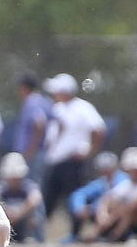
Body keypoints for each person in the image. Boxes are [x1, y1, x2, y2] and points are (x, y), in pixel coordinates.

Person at [40, 73, 106, 220]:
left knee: (73, 198)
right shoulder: (57, 108)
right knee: (48, 198)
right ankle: (42, 229)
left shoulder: (83, 107)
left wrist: (89, 152)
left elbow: (99, 130)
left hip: (73, 162)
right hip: (55, 162)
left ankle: (75, 229)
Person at [64, 150, 123, 243]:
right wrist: (80, 208)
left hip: (118, 215)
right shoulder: (102, 182)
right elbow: (79, 194)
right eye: (103, 169)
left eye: (108, 169)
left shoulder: (123, 180)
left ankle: (112, 236)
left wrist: (93, 208)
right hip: (101, 214)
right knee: (76, 203)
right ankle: (75, 235)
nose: (106, 172)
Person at [0, 152, 44, 242]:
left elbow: (35, 198)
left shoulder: (28, 186)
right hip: (8, 223)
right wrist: (8, 211)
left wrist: (19, 212)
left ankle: (36, 239)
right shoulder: (1, 189)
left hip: (24, 223)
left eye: (17, 178)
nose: (15, 181)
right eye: (12, 178)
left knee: (37, 215)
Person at [13, 71, 51, 181]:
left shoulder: (32, 102)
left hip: (33, 154)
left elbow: (39, 123)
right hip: (41, 153)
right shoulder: (45, 101)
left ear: (24, 87)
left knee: (32, 184)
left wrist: (31, 150)